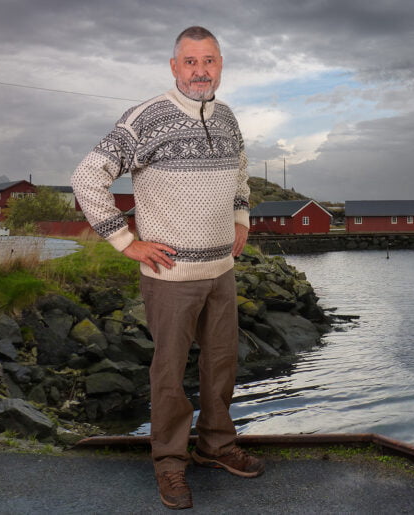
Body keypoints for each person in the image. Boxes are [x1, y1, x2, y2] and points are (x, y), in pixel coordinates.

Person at [71, 26, 263, 510]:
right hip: (170, 274)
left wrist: (241, 216)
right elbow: (86, 176)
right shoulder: (146, 117)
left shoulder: (227, 117)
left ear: (221, 65)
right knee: (170, 375)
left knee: (221, 365)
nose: (201, 70)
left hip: (222, 268)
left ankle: (216, 446)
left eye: (210, 61)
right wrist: (125, 241)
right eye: (191, 61)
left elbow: (240, 168)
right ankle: (170, 465)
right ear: (175, 66)